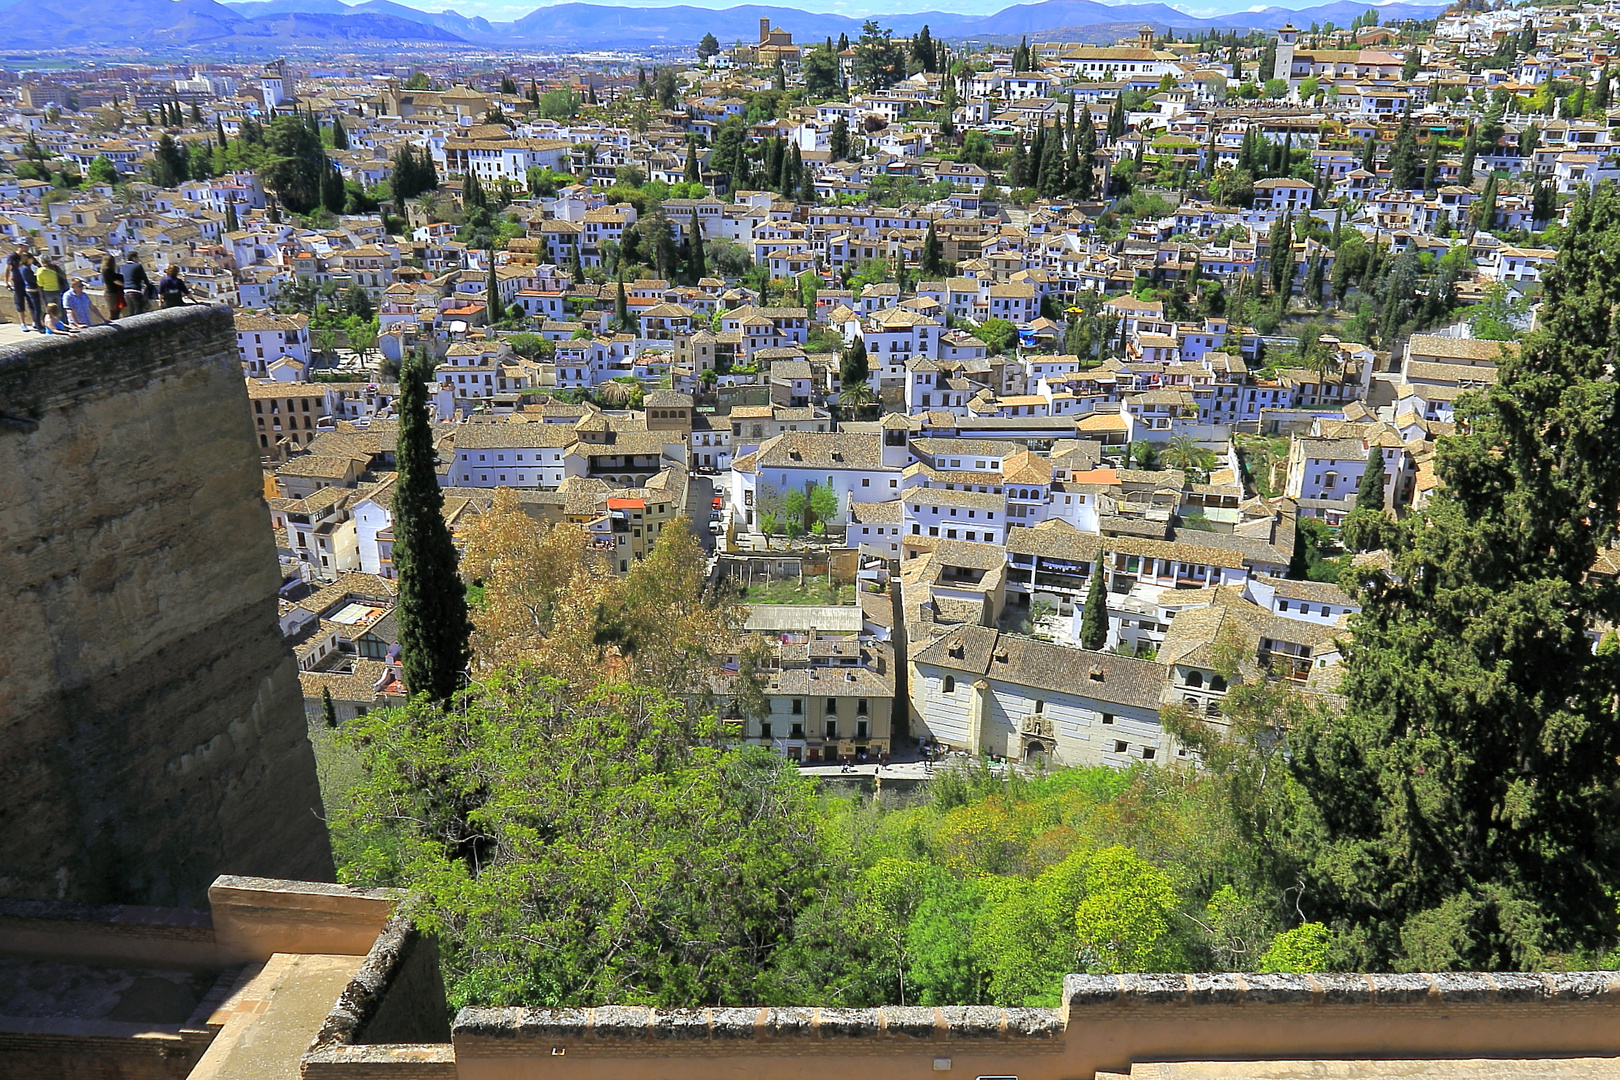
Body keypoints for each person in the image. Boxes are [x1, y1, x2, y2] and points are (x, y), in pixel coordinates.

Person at [101, 254, 125, 320]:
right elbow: (115, 280)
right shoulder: (107, 270)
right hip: (112, 294)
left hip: (111, 293)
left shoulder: (104, 270)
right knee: (114, 313)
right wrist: (125, 285)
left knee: (115, 312)